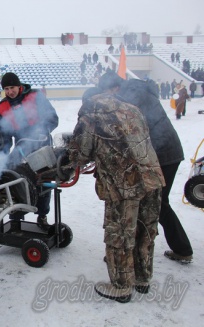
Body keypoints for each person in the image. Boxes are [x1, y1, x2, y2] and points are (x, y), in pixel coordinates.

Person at [69, 87, 165, 303]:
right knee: (145, 231)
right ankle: (142, 278)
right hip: (152, 177)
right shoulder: (132, 109)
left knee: (120, 234)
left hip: (124, 185)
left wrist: (70, 156)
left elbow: (81, 153)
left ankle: (121, 287)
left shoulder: (90, 112)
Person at [101, 72, 194, 265]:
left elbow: (127, 129)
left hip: (160, 154)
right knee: (156, 204)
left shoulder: (130, 96)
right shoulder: (136, 90)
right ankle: (180, 248)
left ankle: (132, 253)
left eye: (107, 92)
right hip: (166, 151)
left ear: (114, 88)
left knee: (149, 204)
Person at [0, 72, 59, 227]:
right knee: (14, 180)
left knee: (43, 182)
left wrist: (41, 130)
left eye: (12, 87)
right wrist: (1, 155)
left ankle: (42, 216)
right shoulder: (2, 106)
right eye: (6, 89)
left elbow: (53, 119)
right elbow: (3, 135)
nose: (10, 92)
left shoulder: (35, 96)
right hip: (21, 148)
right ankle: (16, 217)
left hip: (41, 145)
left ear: (19, 86)